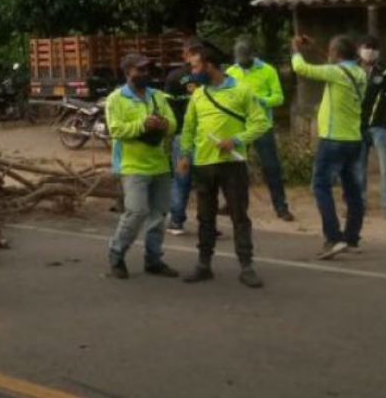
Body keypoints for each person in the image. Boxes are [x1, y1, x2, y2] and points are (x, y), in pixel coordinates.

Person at [178, 46, 270, 288]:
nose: (192, 71)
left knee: (239, 215)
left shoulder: (241, 89)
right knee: (204, 217)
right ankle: (203, 264)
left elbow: (261, 123)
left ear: (209, 66)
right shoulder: (198, 95)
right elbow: (188, 128)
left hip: (232, 164)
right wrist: (185, 154)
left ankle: (246, 266)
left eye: (196, 66)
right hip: (204, 164)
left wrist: (237, 140)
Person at [291, 35, 366, 260]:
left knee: (320, 186)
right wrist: (316, 48)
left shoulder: (335, 73)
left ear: (336, 53)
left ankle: (333, 237)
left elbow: (302, 68)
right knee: (353, 192)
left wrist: (296, 50)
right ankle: (352, 238)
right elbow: (334, 64)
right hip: (354, 138)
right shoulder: (359, 73)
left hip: (333, 138)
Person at [106, 53, 179, 279]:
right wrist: (143, 125)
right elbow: (115, 129)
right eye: (140, 70)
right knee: (137, 211)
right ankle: (116, 253)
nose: (145, 74)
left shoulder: (157, 96)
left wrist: (163, 124)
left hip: (160, 165)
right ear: (128, 72)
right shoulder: (116, 99)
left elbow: (174, 124)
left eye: (147, 70)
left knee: (159, 215)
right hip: (132, 165)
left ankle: (154, 259)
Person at [227, 35, 294, 221]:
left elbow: (279, 98)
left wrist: (260, 101)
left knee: (271, 167)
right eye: (238, 59)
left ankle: (281, 207)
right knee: (236, 168)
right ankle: (236, 205)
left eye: (244, 59)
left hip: (263, 126)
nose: (241, 63)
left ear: (252, 55)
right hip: (240, 127)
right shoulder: (231, 72)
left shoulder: (267, 71)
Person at [356, 36, 386, 222]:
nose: (369, 51)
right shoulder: (353, 70)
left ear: (379, 51)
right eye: (367, 47)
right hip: (357, 128)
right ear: (360, 49)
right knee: (357, 168)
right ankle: (358, 205)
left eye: (373, 48)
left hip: (380, 129)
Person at [163, 66, 194, 235]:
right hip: (197, 135)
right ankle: (208, 223)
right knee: (190, 179)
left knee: (181, 178)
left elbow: (168, 108)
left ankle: (176, 221)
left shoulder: (175, 75)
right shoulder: (211, 75)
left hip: (183, 134)